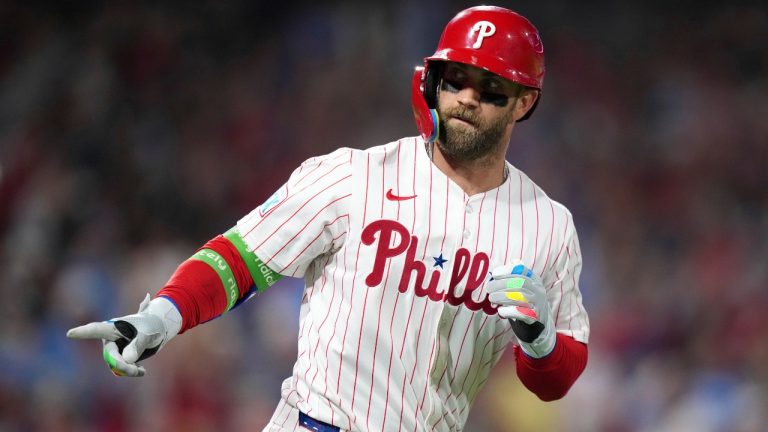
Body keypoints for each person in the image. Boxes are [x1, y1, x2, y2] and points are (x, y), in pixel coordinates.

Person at [68, 5, 589, 431]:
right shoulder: (352, 176)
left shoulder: (548, 226)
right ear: (433, 81)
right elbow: (241, 258)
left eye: (490, 87)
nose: (467, 98)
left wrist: (540, 341)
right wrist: (162, 316)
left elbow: (556, 380)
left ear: (524, 102)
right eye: (456, 79)